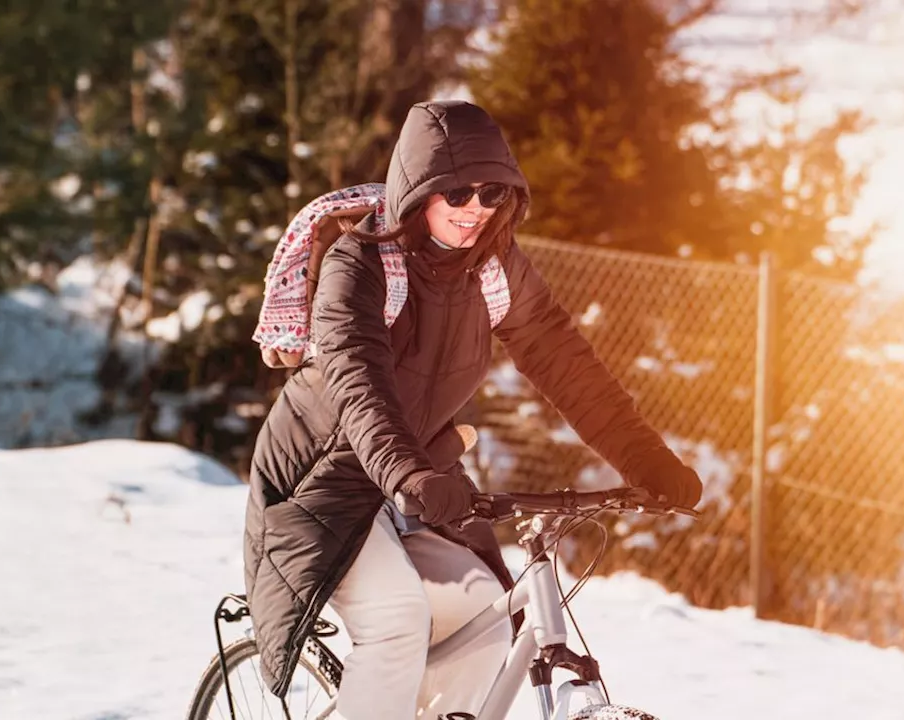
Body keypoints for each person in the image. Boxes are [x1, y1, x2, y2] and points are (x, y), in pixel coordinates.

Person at [242, 99, 704, 720]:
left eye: (491, 193)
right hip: (319, 485)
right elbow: (360, 384)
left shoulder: (494, 268)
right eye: (456, 191)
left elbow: (569, 366)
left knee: (484, 618)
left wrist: (646, 460)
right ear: (417, 189)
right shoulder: (360, 265)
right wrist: (409, 475)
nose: (474, 210)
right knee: (398, 619)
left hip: (417, 480)